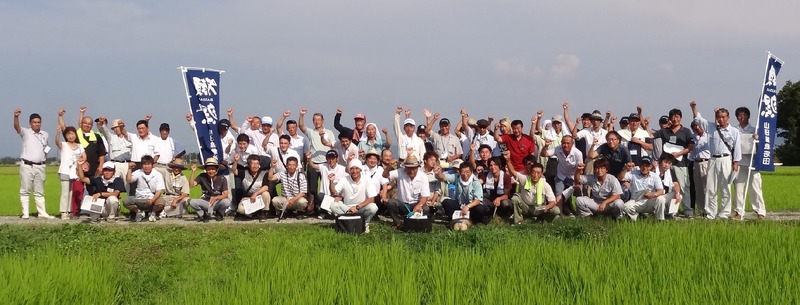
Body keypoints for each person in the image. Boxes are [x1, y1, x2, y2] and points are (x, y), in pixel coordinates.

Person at [690, 102, 741, 220]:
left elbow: (737, 148)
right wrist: (693, 108)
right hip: (712, 159)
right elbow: (698, 118)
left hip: (726, 159)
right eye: (719, 117)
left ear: (728, 117)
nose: (721, 119)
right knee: (710, 187)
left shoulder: (733, 131)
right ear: (716, 117)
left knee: (725, 188)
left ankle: (724, 213)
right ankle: (711, 213)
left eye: (723, 117)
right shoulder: (711, 127)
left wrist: (736, 163)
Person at [652, 108, 695, 218]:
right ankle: (671, 211)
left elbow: (691, 147)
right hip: (665, 164)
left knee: (684, 187)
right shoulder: (665, 131)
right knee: (668, 187)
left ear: (680, 118)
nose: (675, 119)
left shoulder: (686, 131)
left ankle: (688, 210)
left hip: (680, 163)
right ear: (670, 118)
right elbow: (651, 136)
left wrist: (678, 154)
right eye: (673, 117)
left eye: (677, 117)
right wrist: (645, 124)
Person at [14, 108, 55, 219]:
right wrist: (16, 117)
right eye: (34, 122)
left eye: (38, 122)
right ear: (30, 123)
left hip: (40, 165)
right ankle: (25, 213)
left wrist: (44, 158)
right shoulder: (25, 132)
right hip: (27, 165)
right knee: (25, 190)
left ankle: (42, 213)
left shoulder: (45, 134)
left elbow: (47, 147)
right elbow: (17, 127)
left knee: (39, 190)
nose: (37, 124)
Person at [731, 106, 766, 220]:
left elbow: (762, 145)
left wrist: (757, 139)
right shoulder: (734, 130)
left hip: (753, 162)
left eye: (744, 115)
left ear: (748, 116)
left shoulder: (755, 129)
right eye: (740, 115)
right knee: (739, 188)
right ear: (736, 117)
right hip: (740, 163)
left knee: (755, 187)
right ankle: (739, 211)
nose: (742, 117)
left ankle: (760, 211)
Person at [299, 108, 336, 213]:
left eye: (319, 119)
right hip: (313, 162)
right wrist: (301, 115)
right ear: (313, 121)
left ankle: (325, 207)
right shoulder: (311, 132)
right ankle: (311, 207)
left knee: (327, 186)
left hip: (326, 164)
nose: (317, 121)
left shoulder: (329, 132)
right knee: (312, 187)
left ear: (323, 120)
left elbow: (332, 146)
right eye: (315, 120)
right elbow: (301, 126)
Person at [505, 153, 559, 223]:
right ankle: (518, 221)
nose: (535, 175)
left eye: (538, 173)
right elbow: (512, 171)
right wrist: (508, 160)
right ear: (530, 172)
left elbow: (553, 202)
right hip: (526, 207)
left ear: (541, 174)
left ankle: (543, 220)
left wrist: (546, 207)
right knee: (515, 198)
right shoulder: (525, 179)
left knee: (556, 210)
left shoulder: (545, 185)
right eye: (533, 172)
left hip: (539, 208)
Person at [329, 159, 380, 232]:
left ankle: (365, 223)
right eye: (352, 168)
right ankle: (345, 221)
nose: (354, 171)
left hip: (361, 207)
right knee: (333, 205)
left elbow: (371, 199)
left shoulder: (367, 179)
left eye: (356, 168)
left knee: (373, 207)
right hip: (347, 208)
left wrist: (357, 207)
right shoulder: (344, 179)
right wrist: (331, 181)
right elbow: (334, 193)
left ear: (360, 170)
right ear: (349, 170)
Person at [382, 155, 431, 229]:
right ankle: (397, 223)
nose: (412, 171)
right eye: (409, 168)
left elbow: (425, 195)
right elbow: (385, 175)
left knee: (426, 208)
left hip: (416, 204)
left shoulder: (423, 176)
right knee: (391, 202)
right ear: (405, 167)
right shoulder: (400, 172)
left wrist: (419, 205)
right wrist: (389, 166)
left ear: (418, 167)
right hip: (403, 204)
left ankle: (416, 222)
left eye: (414, 168)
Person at [540, 135, 583, 216]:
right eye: (564, 143)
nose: (565, 145)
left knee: (578, 193)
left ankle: (579, 213)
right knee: (558, 194)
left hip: (573, 176)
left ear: (572, 143)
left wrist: (576, 182)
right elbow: (543, 154)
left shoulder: (578, 153)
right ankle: (560, 214)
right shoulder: (558, 149)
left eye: (568, 143)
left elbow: (579, 169)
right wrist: (546, 146)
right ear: (561, 143)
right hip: (561, 175)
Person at [620, 156, 667, 221]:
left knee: (661, 199)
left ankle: (660, 219)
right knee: (625, 207)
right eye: (643, 165)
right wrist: (625, 168)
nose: (645, 168)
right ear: (639, 166)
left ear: (651, 167)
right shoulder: (633, 173)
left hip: (649, 201)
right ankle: (636, 219)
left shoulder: (655, 176)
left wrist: (653, 194)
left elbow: (661, 190)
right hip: (635, 200)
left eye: (647, 166)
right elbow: (620, 178)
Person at [55, 122, 86, 220]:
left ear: (75, 135)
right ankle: (64, 212)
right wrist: (58, 133)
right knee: (65, 192)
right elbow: (57, 142)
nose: (70, 136)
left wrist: (81, 162)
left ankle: (70, 211)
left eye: (72, 134)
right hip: (65, 171)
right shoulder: (64, 144)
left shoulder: (80, 146)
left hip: (75, 173)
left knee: (72, 192)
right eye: (68, 134)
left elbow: (84, 156)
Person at [123, 155, 166, 222]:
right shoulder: (138, 172)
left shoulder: (158, 175)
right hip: (139, 198)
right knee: (126, 201)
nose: (146, 166)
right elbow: (129, 180)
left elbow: (159, 191)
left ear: (152, 165)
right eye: (144, 164)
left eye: (148, 164)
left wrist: (152, 200)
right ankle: (139, 212)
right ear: (141, 165)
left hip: (152, 198)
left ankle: (153, 213)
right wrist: (129, 169)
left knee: (161, 203)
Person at [189, 158, 232, 222]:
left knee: (227, 202)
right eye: (208, 169)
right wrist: (193, 172)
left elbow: (225, 194)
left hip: (216, 202)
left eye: (213, 169)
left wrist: (216, 198)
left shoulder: (222, 178)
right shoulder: (202, 176)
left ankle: (219, 214)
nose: (211, 171)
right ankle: (202, 215)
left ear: (217, 170)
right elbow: (191, 185)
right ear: (205, 170)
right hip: (206, 202)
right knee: (192, 202)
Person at [232, 154, 271, 221]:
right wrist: (235, 161)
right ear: (249, 165)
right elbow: (234, 171)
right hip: (248, 197)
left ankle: (263, 213)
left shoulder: (264, 173)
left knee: (266, 194)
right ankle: (253, 214)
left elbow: (266, 187)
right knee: (240, 209)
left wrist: (256, 194)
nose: (255, 166)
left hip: (259, 197)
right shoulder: (244, 172)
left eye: (257, 164)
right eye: (252, 164)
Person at [309, 149, 347, 217]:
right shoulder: (324, 166)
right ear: (326, 159)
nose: (331, 160)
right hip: (326, 197)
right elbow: (313, 166)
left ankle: (333, 213)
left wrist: (341, 197)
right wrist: (309, 158)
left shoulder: (343, 169)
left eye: (333, 158)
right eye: (329, 158)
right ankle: (324, 212)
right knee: (320, 196)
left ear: (337, 158)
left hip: (338, 197)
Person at [73, 106, 108, 177]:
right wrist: (81, 112)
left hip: (94, 169)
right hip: (78, 169)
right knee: (78, 187)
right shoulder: (76, 136)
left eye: (89, 124)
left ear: (92, 126)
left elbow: (101, 153)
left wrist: (100, 166)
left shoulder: (97, 137)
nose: (87, 125)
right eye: (85, 123)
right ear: (82, 124)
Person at [688, 119, 710, 217]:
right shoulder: (693, 138)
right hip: (696, 163)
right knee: (698, 188)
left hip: (706, 162)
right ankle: (701, 210)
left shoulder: (709, 136)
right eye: (694, 127)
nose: (696, 128)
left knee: (708, 187)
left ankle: (709, 209)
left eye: (698, 126)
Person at [655, 153, 682, 218]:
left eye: (669, 163)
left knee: (679, 195)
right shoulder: (654, 170)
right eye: (665, 162)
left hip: (664, 194)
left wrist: (677, 193)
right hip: (654, 195)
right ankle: (660, 218)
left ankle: (671, 214)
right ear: (660, 161)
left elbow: (675, 184)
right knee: (660, 199)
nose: (667, 165)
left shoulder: (670, 171)